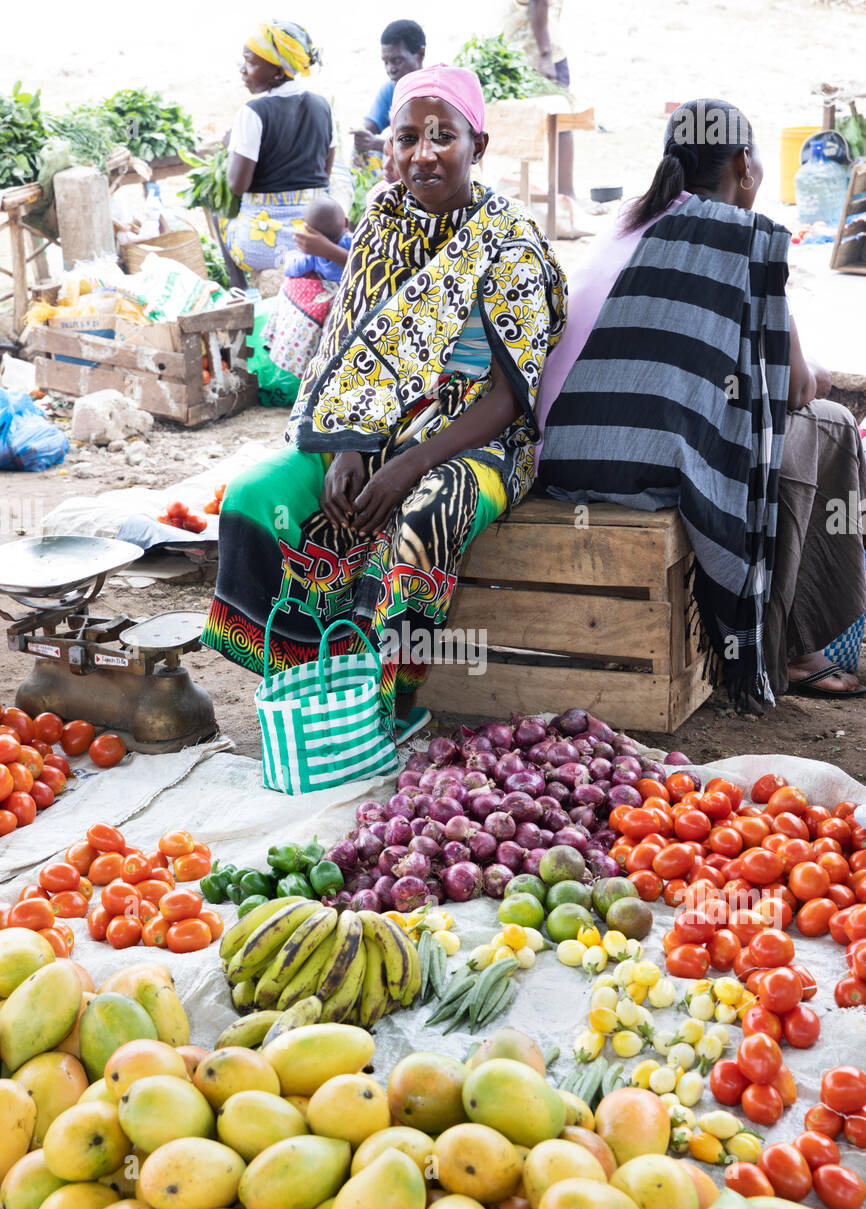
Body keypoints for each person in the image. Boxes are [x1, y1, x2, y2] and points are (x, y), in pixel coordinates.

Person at [203, 64, 567, 742]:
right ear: (389, 147)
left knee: (426, 510)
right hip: (375, 428)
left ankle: (383, 708)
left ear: (477, 146)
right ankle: (303, 681)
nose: (423, 153)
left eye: (443, 136)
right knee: (253, 494)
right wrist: (349, 446)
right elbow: (352, 351)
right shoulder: (380, 226)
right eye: (407, 138)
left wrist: (406, 466)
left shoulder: (509, 242)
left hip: (479, 440)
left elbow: (510, 397)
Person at [535, 99, 866, 705]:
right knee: (830, 424)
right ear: (745, 164)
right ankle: (786, 647)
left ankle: (789, 637)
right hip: (646, 465)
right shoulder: (739, 239)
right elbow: (793, 387)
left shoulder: (623, 222)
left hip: (559, 460)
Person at [219, 21, 337, 287]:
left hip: (261, 245)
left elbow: (237, 185)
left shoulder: (252, 112)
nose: (243, 70)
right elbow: (325, 173)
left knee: (220, 216)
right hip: (315, 237)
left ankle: (240, 292)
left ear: (277, 70)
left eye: (250, 63)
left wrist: (231, 147)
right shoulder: (323, 107)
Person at [501, 0, 581, 235]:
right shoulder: (544, 52)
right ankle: (567, 194)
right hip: (539, 50)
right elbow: (539, 3)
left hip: (519, 46)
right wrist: (545, 54)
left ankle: (559, 194)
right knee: (561, 120)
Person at [262, 196, 352, 379]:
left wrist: (295, 254)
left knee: (290, 287)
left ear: (307, 230)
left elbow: (291, 269)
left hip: (327, 298)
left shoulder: (312, 254)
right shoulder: (353, 243)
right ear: (346, 223)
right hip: (347, 296)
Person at [351, 19, 426, 162]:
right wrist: (362, 138)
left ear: (420, 55)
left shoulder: (436, 94)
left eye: (397, 61)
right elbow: (369, 127)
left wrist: (378, 144)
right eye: (386, 62)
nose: (390, 69)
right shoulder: (390, 89)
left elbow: (430, 144)